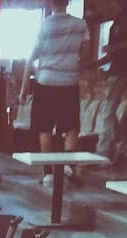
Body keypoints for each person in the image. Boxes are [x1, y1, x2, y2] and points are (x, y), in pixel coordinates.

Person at [20, 0, 90, 185]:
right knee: (71, 127)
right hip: (70, 81)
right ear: (67, 2)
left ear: (50, 4)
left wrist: (23, 89)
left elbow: (31, 59)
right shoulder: (80, 24)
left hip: (46, 81)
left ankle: (49, 173)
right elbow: (86, 55)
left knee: (44, 128)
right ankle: (69, 168)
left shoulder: (44, 26)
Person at [94, 0, 127, 164]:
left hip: (126, 70)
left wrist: (115, 48)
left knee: (106, 111)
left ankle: (103, 152)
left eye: (101, 6)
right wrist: (89, 65)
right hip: (116, 70)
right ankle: (123, 146)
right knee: (108, 111)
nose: (101, 11)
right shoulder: (114, 26)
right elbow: (111, 54)